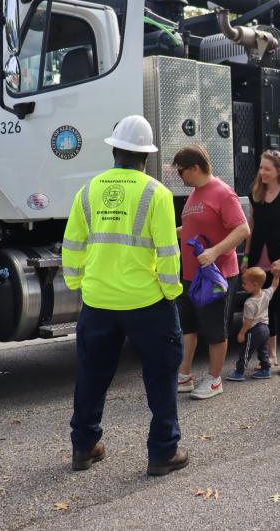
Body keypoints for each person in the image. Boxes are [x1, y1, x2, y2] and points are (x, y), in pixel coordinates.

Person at [62, 114, 188, 476]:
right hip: (147, 302)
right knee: (161, 376)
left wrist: (77, 284)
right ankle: (162, 453)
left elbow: (72, 245)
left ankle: (84, 447)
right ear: (146, 155)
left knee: (92, 375)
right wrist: (170, 293)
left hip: (98, 302)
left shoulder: (88, 190)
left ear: (114, 151)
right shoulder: (156, 193)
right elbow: (168, 252)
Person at [173, 145, 250, 400]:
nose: (180, 177)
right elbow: (191, 228)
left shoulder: (223, 193)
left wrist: (215, 252)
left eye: (181, 171)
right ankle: (184, 375)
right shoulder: (195, 194)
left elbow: (242, 229)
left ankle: (215, 379)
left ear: (195, 168)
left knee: (215, 328)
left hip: (216, 275)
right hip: (191, 275)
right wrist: (171, 232)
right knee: (188, 326)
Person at [242, 150, 280, 374]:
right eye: (261, 168)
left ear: (279, 170)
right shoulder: (256, 193)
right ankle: (271, 354)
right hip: (259, 259)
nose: (262, 172)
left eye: (267, 169)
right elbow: (252, 227)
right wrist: (246, 257)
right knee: (264, 307)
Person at [226, 267, 277, 381]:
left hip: (255, 330)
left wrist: (241, 333)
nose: (242, 286)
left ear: (255, 284)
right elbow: (274, 286)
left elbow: (248, 322)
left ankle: (239, 372)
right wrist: (276, 276)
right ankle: (266, 369)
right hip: (265, 328)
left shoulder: (249, 303)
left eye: (245, 283)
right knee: (263, 350)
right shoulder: (266, 294)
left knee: (246, 351)